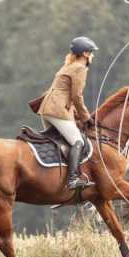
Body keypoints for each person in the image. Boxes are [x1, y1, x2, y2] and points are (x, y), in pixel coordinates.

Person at [37, 36, 98, 190]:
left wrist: (78, 114)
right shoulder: (79, 68)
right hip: (58, 111)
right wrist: (86, 117)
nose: (92, 55)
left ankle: (53, 178)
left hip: (47, 109)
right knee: (78, 141)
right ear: (85, 53)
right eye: (91, 52)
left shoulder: (67, 66)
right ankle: (72, 179)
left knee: (60, 142)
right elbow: (76, 96)